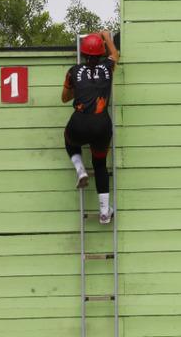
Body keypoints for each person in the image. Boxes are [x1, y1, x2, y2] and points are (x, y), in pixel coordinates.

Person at [62, 29, 119, 224]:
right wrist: (106, 36)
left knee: (69, 140)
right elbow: (115, 54)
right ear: (101, 53)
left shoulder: (73, 71)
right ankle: (104, 212)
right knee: (100, 165)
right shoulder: (107, 67)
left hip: (79, 123)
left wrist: (78, 90)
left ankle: (80, 169)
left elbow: (64, 98)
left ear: (84, 53)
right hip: (102, 125)